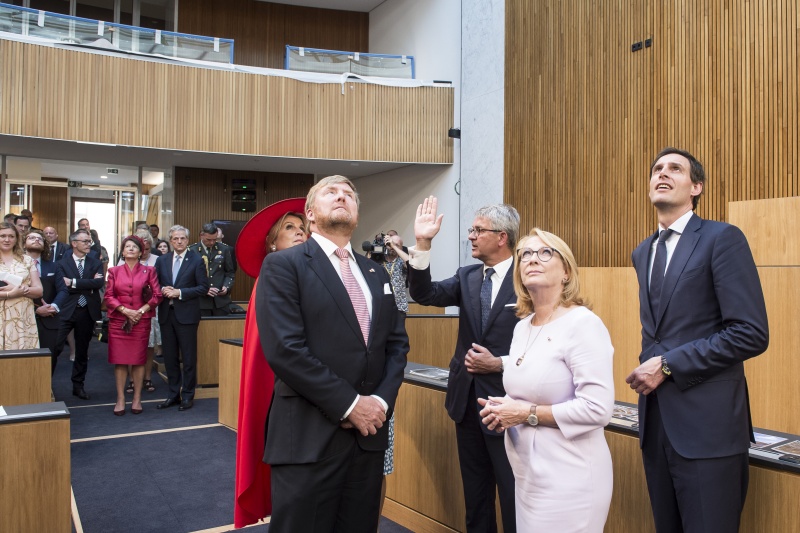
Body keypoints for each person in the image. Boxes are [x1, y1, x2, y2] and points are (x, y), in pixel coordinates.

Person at [626, 147, 769, 533]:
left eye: (675, 168)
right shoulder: (643, 252)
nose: (663, 173)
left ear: (696, 187)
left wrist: (669, 364)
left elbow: (750, 332)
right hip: (656, 426)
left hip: (709, 429)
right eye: (657, 168)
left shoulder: (722, 238)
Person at [256, 175, 408, 532]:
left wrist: (380, 405)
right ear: (311, 213)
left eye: (349, 194)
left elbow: (396, 346)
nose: (342, 196)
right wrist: (351, 404)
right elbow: (285, 350)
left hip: (367, 437)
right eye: (331, 192)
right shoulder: (284, 265)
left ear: (356, 215)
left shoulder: (376, 272)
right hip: (309, 437)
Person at [478, 228, 615, 531]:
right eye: (525, 254)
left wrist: (525, 414)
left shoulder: (583, 325)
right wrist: (504, 409)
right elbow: (528, 391)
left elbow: (598, 409)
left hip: (571, 477)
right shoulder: (522, 326)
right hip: (528, 474)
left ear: (566, 271)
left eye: (544, 253)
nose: (532, 260)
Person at [408, 197, 519, 533]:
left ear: (502, 237)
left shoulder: (528, 277)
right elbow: (425, 294)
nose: (470, 236)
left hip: (510, 405)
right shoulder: (468, 276)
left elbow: (548, 344)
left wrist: (500, 363)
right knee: (476, 497)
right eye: (471, 230)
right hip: (467, 405)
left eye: (477, 230)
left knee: (514, 498)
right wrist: (423, 244)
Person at [233, 198, 307, 528]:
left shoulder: (306, 275)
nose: (299, 233)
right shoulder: (272, 277)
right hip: (282, 395)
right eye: (289, 228)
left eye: (303, 228)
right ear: (272, 241)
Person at [104, 235, 162, 415]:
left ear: (140, 252)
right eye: (127, 246)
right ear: (122, 251)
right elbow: (108, 296)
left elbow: (157, 296)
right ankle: (120, 398)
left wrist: (141, 311)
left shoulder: (149, 270)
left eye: (134, 247)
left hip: (141, 321)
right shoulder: (114, 271)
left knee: (138, 361)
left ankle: (137, 398)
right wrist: (125, 311)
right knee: (120, 361)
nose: (130, 249)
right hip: (119, 321)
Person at [155, 225, 209, 411]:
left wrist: (179, 292)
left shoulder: (196, 260)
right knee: (169, 358)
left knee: (188, 358)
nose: (179, 241)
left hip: (187, 316)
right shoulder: (161, 261)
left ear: (188, 240)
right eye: (175, 238)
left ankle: (187, 395)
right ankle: (172, 395)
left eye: (182, 238)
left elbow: (203, 287)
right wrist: (162, 290)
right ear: (170, 241)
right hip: (166, 314)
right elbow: (154, 285)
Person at [52, 229, 105, 398]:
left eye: (89, 241)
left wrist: (74, 282)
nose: (89, 244)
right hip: (67, 309)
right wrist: (85, 285)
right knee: (55, 347)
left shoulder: (95, 262)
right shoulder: (62, 263)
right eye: (85, 241)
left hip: (87, 311)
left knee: (82, 350)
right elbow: (62, 285)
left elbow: (98, 283)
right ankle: (46, 385)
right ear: (74, 243)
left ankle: (78, 386)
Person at [117, 230, 160, 394]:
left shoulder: (157, 261)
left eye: (144, 245)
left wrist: (142, 310)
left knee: (147, 347)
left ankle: (147, 378)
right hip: (125, 312)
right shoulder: (120, 265)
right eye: (131, 245)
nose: (135, 248)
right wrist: (127, 311)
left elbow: (157, 291)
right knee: (128, 349)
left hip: (148, 311)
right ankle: (131, 380)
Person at [24, 229, 67, 360]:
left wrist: (53, 306)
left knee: (49, 358)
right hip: (23, 318)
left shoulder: (53, 266)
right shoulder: (16, 266)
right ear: (23, 243)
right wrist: (36, 310)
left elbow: (63, 290)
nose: (36, 240)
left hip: (50, 318)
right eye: (31, 237)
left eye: (40, 238)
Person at [0, 222, 43, 349]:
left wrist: (22, 290)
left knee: (23, 361)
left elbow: (39, 290)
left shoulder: (26, 260)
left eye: (11, 236)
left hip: (22, 316)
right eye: (2, 236)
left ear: (16, 239)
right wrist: (11, 293)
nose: (7, 240)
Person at [190, 222, 236, 316]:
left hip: (220, 302)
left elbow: (230, 272)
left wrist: (226, 286)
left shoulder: (224, 249)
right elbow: (189, 277)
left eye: (214, 240)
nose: (212, 242)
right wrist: (203, 289)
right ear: (201, 236)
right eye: (208, 240)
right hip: (201, 302)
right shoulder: (192, 251)